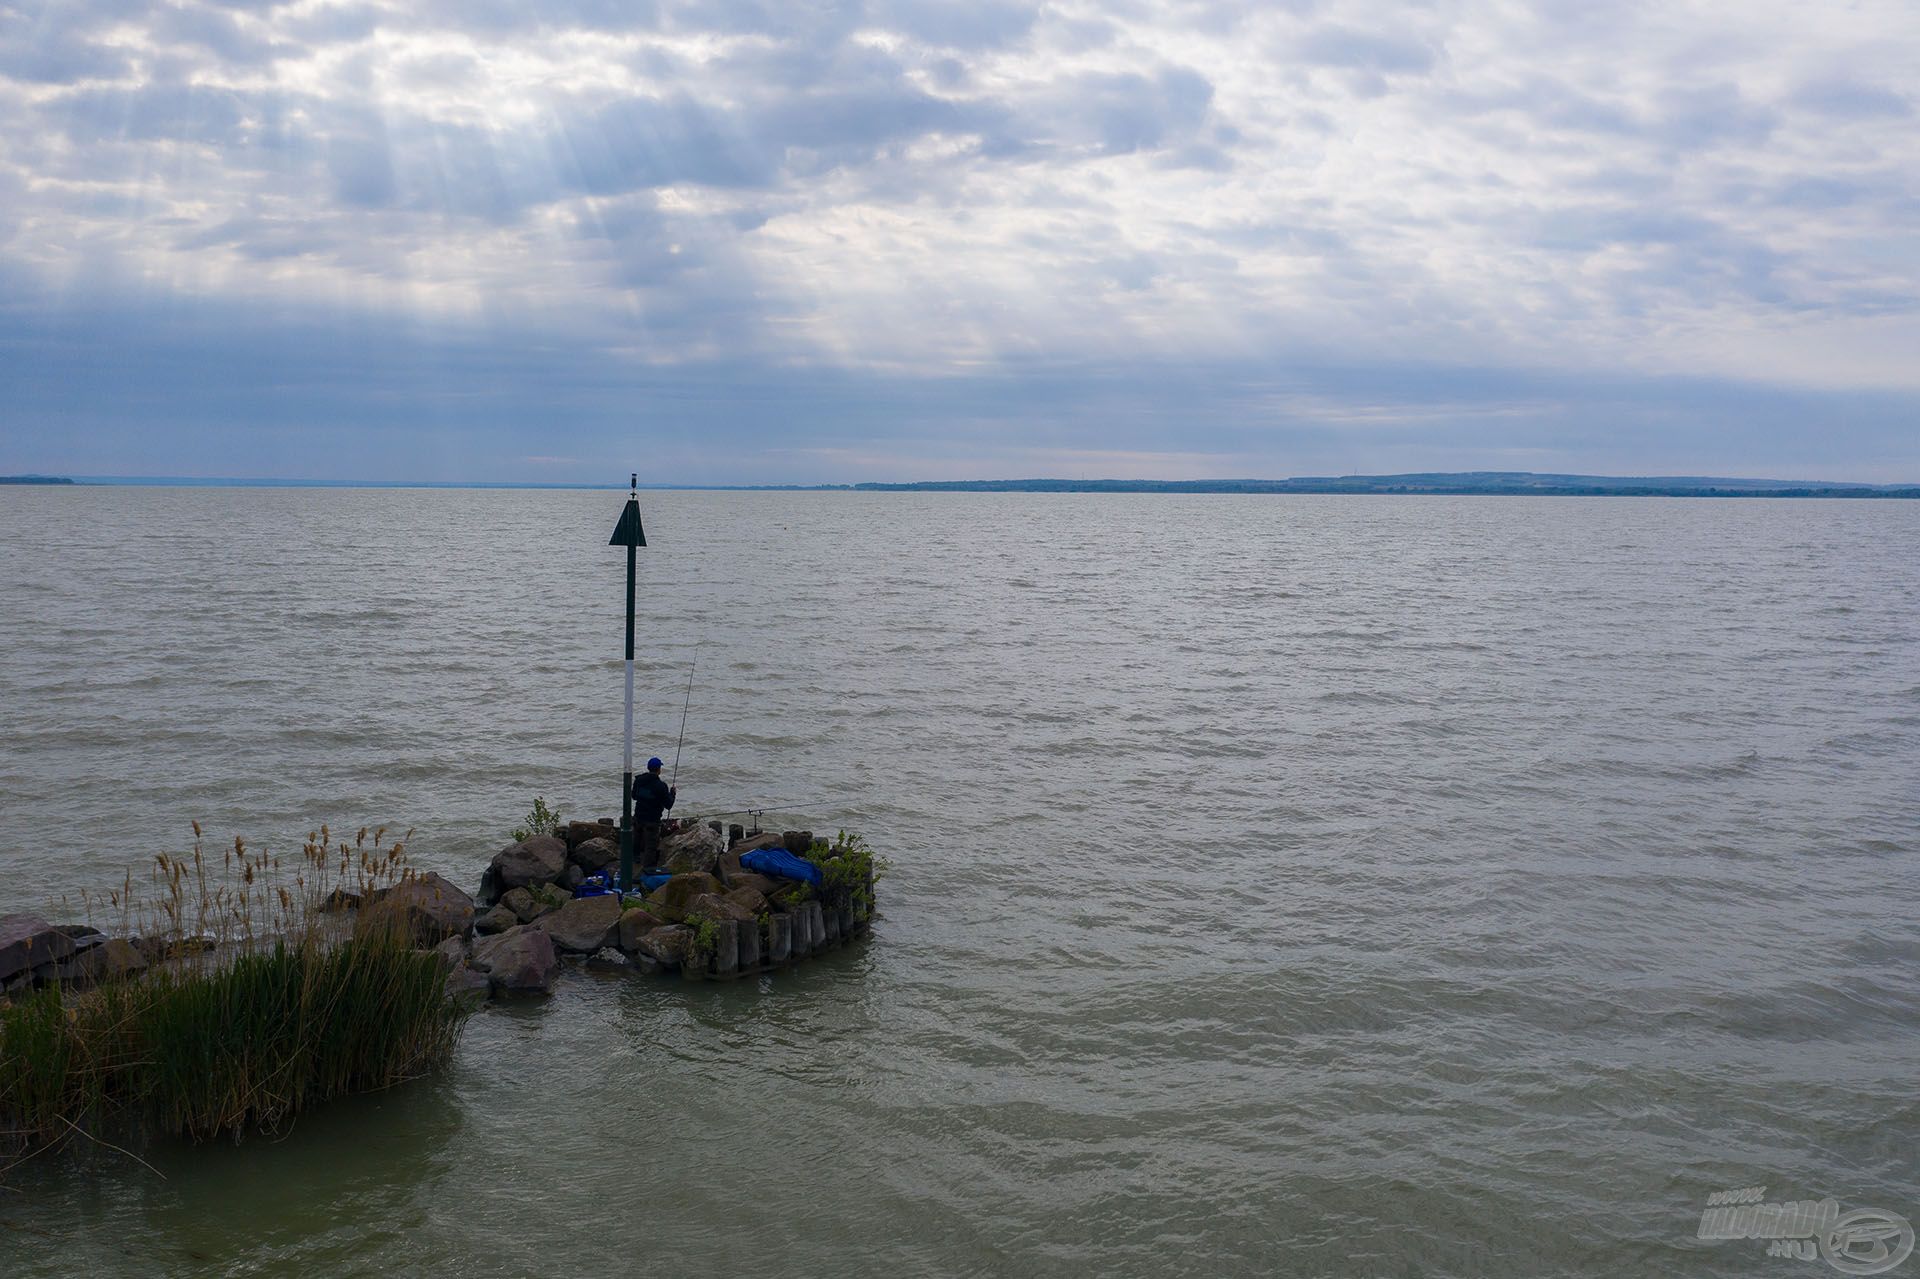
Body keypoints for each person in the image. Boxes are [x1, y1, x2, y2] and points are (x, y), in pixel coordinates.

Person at [630, 757, 677, 870]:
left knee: (637, 837)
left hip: (639, 815)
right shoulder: (661, 786)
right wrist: (672, 794)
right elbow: (668, 804)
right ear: (658, 769)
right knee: (651, 845)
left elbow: (634, 796)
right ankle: (648, 868)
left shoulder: (639, 780)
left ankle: (635, 858)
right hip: (652, 819)